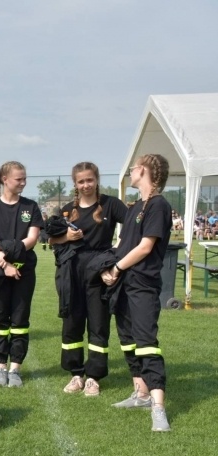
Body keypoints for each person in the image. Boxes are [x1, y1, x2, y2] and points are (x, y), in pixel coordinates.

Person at [101, 154, 172, 432]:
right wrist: (109, 269)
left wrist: (117, 267)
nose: (130, 171)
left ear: (142, 170)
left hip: (142, 282)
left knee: (146, 341)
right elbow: (123, 244)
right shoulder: (135, 206)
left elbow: (145, 246)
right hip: (123, 282)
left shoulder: (158, 205)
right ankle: (140, 393)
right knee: (128, 340)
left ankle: (158, 408)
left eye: (133, 167)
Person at [48, 162, 128, 397]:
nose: (86, 185)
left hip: (98, 272)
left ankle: (93, 377)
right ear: (75, 183)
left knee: (98, 324)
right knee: (71, 324)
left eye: (89, 180)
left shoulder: (110, 204)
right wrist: (66, 235)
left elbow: (134, 226)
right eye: (81, 181)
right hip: (71, 272)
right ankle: (76, 374)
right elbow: (51, 240)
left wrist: (115, 255)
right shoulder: (66, 210)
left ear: (97, 180)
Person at [0, 161, 43, 388]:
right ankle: (0, 368)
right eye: (19, 179)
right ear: (5, 179)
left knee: (20, 319)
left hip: (24, 272)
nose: (23, 182)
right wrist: (4, 263)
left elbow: (32, 240)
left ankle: (15, 368)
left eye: (25, 178)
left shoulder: (31, 207)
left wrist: (9, 251)